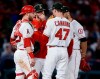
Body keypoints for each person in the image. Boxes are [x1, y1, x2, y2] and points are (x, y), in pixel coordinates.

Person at [42, 2, 73, 79]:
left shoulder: (51, 21)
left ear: (55, 10)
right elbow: (71, 42)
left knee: (47, 74)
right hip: (64, 50)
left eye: (53, 10)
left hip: (53, 49)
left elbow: (44, 38)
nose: (52, 12)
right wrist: (68, 55)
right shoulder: (69, 23)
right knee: (61, 76)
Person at [62, 6, 91, 79]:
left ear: (68, 13)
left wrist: (83, 57)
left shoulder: (76, 25)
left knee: (71, 76)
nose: (61, 14)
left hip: (74, 53)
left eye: (63, 13)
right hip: (64, 52)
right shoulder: (62, 24)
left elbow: (84, 41)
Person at [10, 5, 38, 79]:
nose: (34, 14)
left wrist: (19, 45)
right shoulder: (26, 25)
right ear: (27, 13)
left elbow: (12, 40)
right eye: (33, 13)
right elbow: (27, 42)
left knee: (20, 76)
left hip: (18, 53)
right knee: (33, 76)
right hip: (24, 53)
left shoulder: (17, 24)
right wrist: (31, 56)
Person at [31, 3, 47, 77]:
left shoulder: (47, 22)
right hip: (36, 55)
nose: (41, 13)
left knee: (47, 76)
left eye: (42, 11)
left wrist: (44, 21)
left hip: (46, 55)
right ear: (34, 13)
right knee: (34, 76)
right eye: (39, 12)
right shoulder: (31, 22)